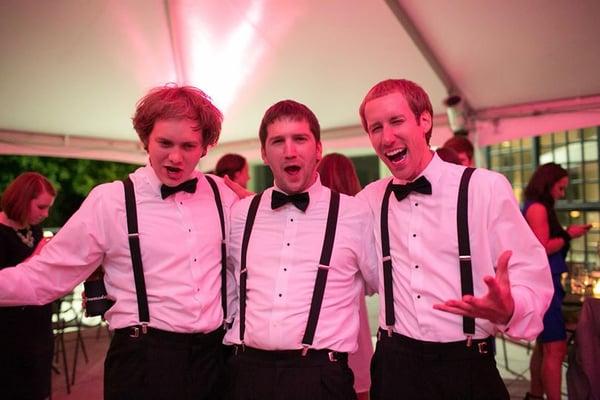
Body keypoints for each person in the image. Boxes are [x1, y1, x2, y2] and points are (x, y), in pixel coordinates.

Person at [0, 85, 238, 400]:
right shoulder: (110, 201)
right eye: (164, 143)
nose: (175, 157)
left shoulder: (223, 194)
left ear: (205, 148)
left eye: (188, 145)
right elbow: (44, 275)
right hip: (143, 364)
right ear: (145, 140)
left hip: (215, 360)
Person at [357, 78, 553, 400]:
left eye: (396, 121)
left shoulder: (485, 188)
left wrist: (508, 309)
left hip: (466, 368)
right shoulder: (368, 200)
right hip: (394, 368)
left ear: (424, 120)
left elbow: (532, 279)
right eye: (375, 127)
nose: (386, 136)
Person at [224, 100, 378, 400]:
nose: (289, 151)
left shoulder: (354, 214)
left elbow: (383, 284)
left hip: (322, 378)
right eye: (278, 141)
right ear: (264, 154)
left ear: (318, 149)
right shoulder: (240, 215)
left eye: (300, 139)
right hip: (247, 375)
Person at [522, 162, 591, 400]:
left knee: (544, 345)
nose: (562, 194)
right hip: (545, 282)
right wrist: (567, 235)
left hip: (545, 280)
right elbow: (541, 248)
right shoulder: (538, 209)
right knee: (555, 346)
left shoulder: (535, 206)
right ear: (548, 184)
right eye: (560, 188)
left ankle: (534, 394)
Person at [318, 153, 374, 400]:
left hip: (321, 326)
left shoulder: (315, 219)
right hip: (354, 322)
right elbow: (372, 284)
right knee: (360, 389)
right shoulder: (361, 217)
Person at [0, 172, 56, 400]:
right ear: (22, 199)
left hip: (39, 323)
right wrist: (38, 255)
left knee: (38, 387)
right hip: (9, 330)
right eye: (41, 207)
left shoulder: (34, 231)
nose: (46, 214)